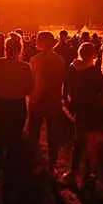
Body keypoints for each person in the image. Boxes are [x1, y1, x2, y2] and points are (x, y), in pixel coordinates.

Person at [0, 34, 34, 176]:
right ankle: (13, 171)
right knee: (15, 139)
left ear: (5, 49)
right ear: (20, 50)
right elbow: (30, 88)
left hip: (0, 105)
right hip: (17, 105)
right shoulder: (25, 67)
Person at [62, 42, 103, 188]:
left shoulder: (72, 68)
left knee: (79, 139)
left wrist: (68, 101)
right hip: (93, 107)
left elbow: (67, 86)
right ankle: (88, 172)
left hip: (79, 107)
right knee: (90, 139)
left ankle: (74, 170)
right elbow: (100, 89)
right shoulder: (94, 71)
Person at [27, 31, 66, 176]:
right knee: (52, 134)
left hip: (38, 100)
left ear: (43, 42)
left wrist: (34, 97)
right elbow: (61, 80)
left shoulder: (35, 60)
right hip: (53, 100)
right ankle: (52, 164)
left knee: (34, 133)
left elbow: (34, 81)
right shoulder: (60, 60)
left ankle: (32, 161)